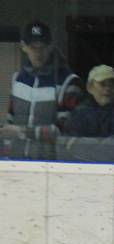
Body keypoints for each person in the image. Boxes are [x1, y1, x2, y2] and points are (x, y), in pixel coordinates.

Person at [1, 20, 82, 160]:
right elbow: (10, 122)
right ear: (23, 46)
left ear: (50, 46)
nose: (38, 52)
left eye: (42, 46)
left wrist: (21, 131)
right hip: (17, 161)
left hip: (50, 164)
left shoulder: (67, 82)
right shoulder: (17, 79)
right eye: (33, 47)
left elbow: (65, 131)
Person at [64, 64, 114, 138]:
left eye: (112, 84)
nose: (108, 88)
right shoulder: (79, 114)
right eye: (103, 84)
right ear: (89, 87)